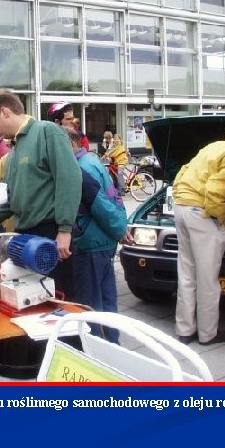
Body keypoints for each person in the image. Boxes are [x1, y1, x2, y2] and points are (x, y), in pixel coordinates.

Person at [0, 89, 81, 301]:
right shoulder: (14, 150)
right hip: (25, 237)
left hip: (51, 235)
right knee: (34, 301)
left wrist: (65, 229)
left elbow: (70, 178)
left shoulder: (47, 131)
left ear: (5, 112)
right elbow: (10, 201)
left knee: (60, 302)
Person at [172, 129, 225, 346]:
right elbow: (215, 189)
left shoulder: (214, 146)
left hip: (181, 206)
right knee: (207, 279)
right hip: (201, 213)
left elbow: (183, 171)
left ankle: (184, 330)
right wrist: (218, 217)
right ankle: (207, 334)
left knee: (186, 273)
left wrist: (181, 197)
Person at [65, 127, 128, 343]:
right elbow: (115, 197)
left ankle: (98, 349)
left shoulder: (80, 168)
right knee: (108, 298)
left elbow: (100, 205)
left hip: (91, 242)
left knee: (91, 303)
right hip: (102, 242)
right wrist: (120, 228)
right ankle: (113, 341)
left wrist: (120, 228)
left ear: (71, 144)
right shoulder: (92, 162)